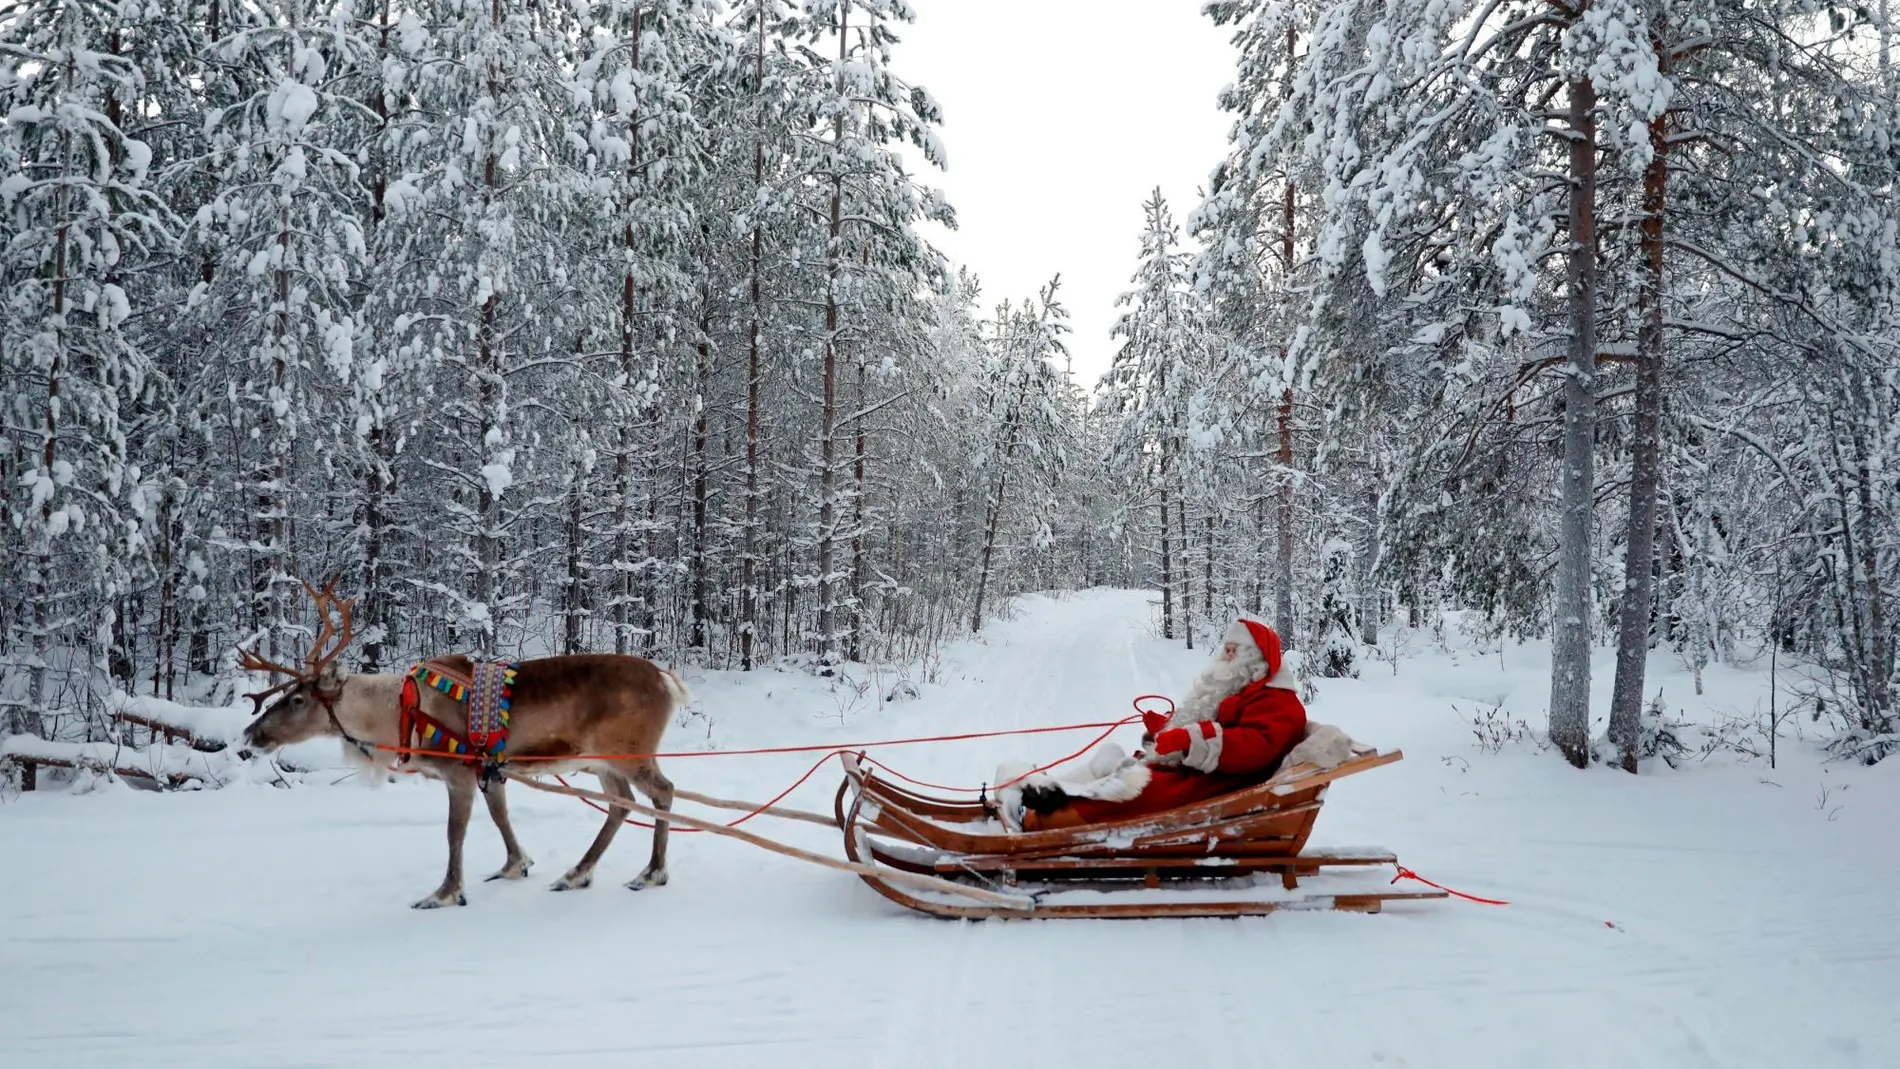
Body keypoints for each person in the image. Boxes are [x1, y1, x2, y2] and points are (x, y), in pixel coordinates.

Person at [1003, 618, 1307, 832]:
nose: (1227, 658)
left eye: (1235, 651)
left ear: (1258, 659)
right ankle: (1044, 795)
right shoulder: (1240, 687)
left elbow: (1255, 748)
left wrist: (1188, 739)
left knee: (1135, 788)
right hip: (1200, 771)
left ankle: (1041, 820)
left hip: (1221, 785)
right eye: (1226, 650)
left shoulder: (1278, 702)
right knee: (1116, 761)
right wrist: (1164, 727)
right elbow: (1207, 724)